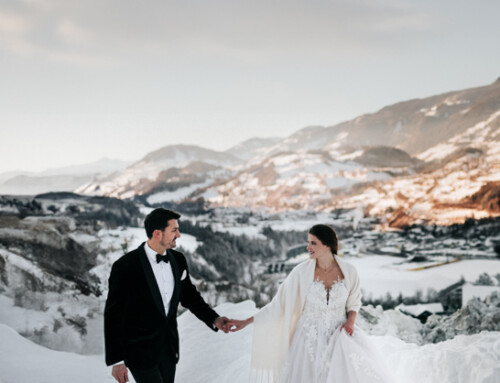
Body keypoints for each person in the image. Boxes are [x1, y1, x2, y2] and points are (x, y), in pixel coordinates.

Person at [230, 224, 396, 382]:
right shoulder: (300, 272)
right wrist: (246, 322)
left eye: (313, 243)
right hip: (307, 339)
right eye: (308, 242)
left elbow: (354, 303)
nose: (308, 247)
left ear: (327, 245)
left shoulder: (349, 271)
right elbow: (277, 305)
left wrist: (350, 322)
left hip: (340, 335)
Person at [104, 208, 232, 383]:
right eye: (174, 230)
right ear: (157, 233)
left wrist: (214, 319)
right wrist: (117, 360)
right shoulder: (125, 266)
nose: (178, 235)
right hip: (138, 352)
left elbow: (190, 297)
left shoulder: (178, 260)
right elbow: (113, 314)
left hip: (169, 350)